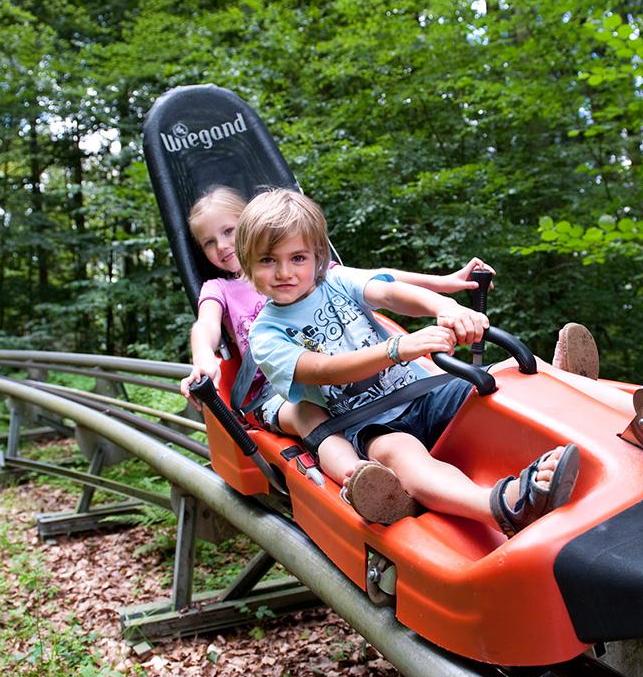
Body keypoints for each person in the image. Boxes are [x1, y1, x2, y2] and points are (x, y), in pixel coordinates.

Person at [237, 188, 581, 535]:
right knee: (403, 457)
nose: (284, 271)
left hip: (423, 392)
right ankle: (506, 504)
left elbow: (390, 293)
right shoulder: (265, 333)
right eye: (267, 260)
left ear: (317, 255)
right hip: (369, 423)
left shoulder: (336, 281)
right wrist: (396, 349)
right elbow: (321, 370)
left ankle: (577, 390)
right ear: (247, 263)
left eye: (297, 258)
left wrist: (444, 307)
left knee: (501, 379)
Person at [179, 185, 498, 486]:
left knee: (424, 367)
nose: (222, 246)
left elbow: (381, 281)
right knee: (306, 412)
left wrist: (444, 284)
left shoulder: (315, 275)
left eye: (229, 232)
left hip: (344, 363)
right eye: (209, 242)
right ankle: (359, 477)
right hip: (272, 390)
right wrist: (204, 359)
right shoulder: (219, 288)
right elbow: (205, 326)